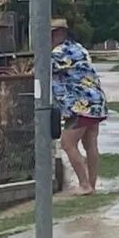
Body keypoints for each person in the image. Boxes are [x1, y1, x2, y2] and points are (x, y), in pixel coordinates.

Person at [50, 18, 107, 195]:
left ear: (60, 33)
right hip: (96, 102)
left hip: (80, 105)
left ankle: (84, 184)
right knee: (90, 144)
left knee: (68, 144)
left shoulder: (60, 52)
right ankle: (91, 184)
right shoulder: (79, 47)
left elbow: (42, 70)